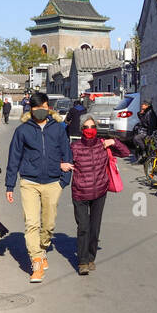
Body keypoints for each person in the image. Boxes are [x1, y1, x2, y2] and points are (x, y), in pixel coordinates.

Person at [4, 92, 71, 283]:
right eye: (35, 108)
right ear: (31, 109)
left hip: (52, 182)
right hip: (29, 182)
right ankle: (37, 261)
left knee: (48, 224)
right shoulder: (23, 130)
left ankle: (43, 247)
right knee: (32, 223)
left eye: (42, 107)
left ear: (47, 106)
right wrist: (10, 185)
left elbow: (67, 154)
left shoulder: (58, 128)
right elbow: (14, 158)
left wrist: (63, 180)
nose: (39, 111)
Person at [63, 116, 130, 276]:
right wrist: (61, 164)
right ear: (82, 130)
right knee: (83, 227)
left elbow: (126, 152)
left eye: (92, 126)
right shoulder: (75, 147)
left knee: (95, 228)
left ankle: (91, 257)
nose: (90, 129)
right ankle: (83, 262)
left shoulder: (103, 144)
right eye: (86, 127)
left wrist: (114, 141)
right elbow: (61, 159)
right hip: (80, 193)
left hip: (100, 192)